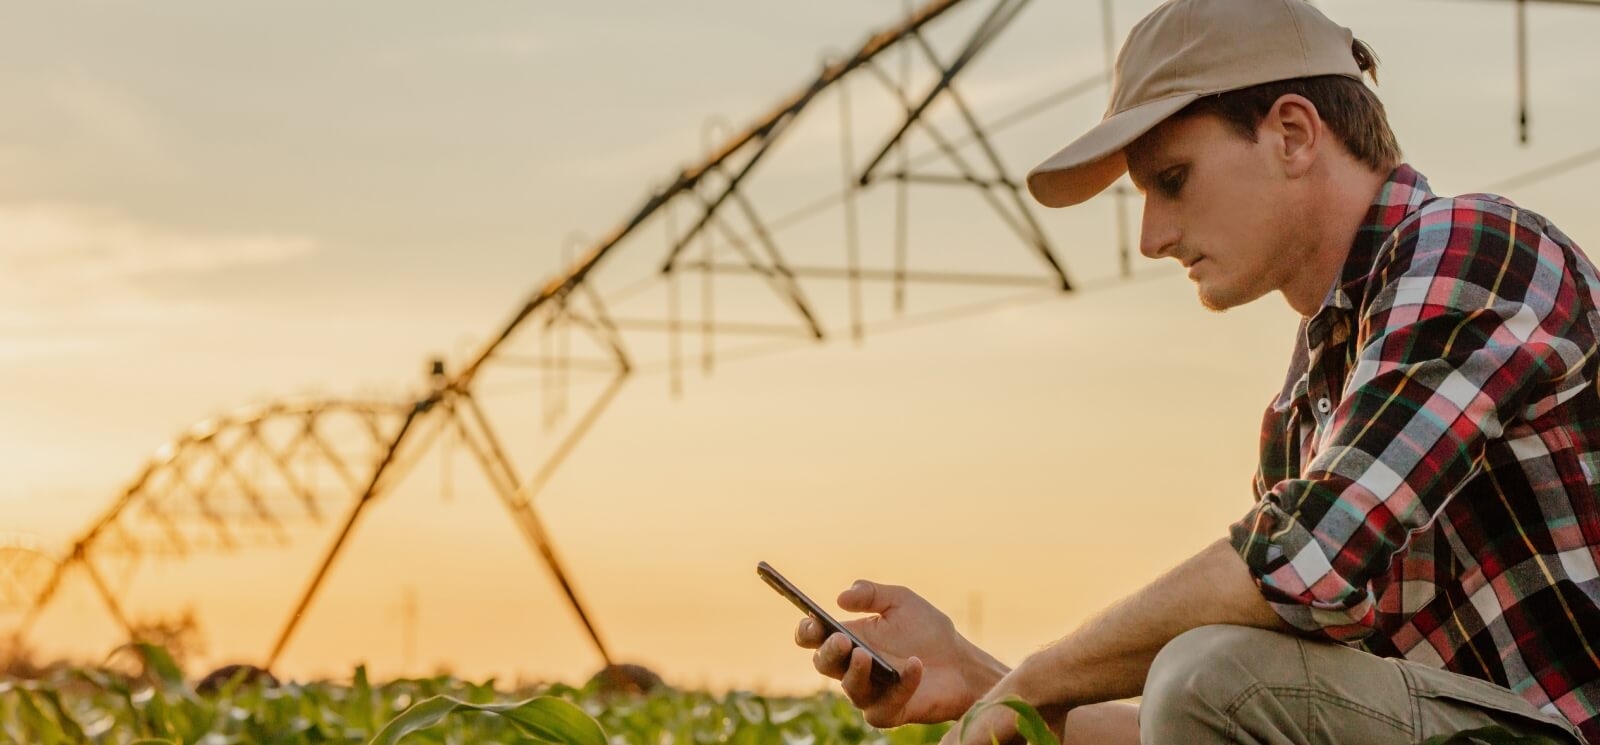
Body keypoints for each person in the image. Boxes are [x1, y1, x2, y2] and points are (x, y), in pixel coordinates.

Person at [790, 0, 1600, 742]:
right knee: (1211, 675)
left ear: (1292, 133)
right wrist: (983, 679)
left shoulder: (1475, 248)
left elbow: (1295, 569)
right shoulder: (1303, 412)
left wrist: (1040, 679)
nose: (1151, 236)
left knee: (1210, 669)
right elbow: (1227, 715)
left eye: (1171, 181)